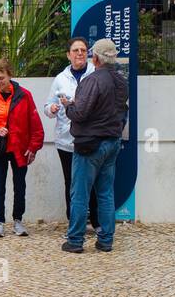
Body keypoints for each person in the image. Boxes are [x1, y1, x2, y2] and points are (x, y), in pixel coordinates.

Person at [63, 38, 129, 253]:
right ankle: (106, 240)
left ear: (96, 58)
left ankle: (75, 240)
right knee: (105, 193)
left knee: (80, 194)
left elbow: (80, 113)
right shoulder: (121, 81)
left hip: (90, 144)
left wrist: (68, 107)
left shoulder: (92, 80)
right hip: (112, 141)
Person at [0, 57, 43, 237]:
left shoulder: (24, 95)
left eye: (1, 78)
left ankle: (18, 220)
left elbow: (35, 123)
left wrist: (33, 147)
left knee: (20, 185)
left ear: (9, 75)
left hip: (19, 148)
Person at [44, 36, 98, 234]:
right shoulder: (60, 79)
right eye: (75, 50)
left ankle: (95, 220)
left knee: (92, 181)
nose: (80, 54)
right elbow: (47, 108)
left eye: (83, 50)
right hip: (66, 140)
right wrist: (53, 107)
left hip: (90, 138)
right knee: (71, 182)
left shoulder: (95, 74)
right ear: (68, 55)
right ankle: (74, 220)